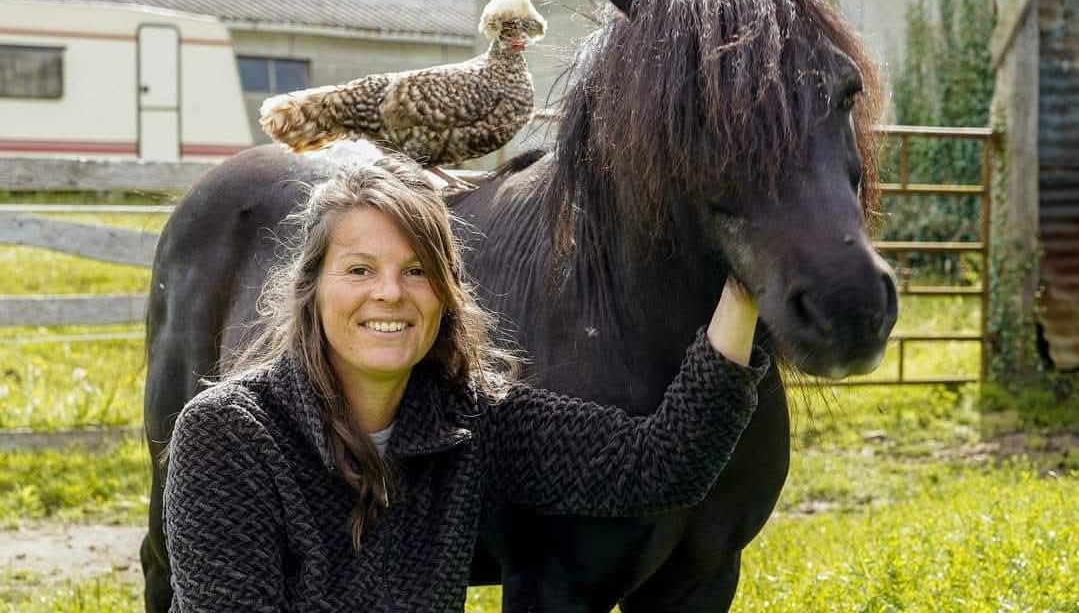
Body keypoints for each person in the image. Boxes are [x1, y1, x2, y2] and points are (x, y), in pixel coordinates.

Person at [163, 155, 768, 612]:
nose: (390, 293)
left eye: (417, 271)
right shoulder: (229, 435)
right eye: (358, 270)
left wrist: (745, 288)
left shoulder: (470, 423)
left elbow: (660, 464)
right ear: (311, 289)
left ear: (448, 297)